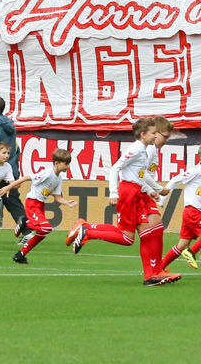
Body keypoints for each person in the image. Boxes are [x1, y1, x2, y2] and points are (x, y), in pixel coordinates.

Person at [69, 116, 182, 285]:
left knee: (148, 230)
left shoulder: (144, 149)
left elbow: (140, 176)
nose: (157, 137)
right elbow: (116, 168)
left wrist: (153, 190)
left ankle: (152, 274)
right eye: (155, 133)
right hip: (129, 192)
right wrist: (113, 192)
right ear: (144, 134)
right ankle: (88, 230)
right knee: (128, 237)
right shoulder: (139, 149)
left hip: (136, 192)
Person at [155, 143, 201, 273]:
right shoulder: (196, 172)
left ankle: (159, 268)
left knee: (181, 245)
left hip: (196, 213)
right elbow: (176, 179)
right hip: (192, 211)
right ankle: (192, 251)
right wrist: (162, 199)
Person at [15, 147, 75, 265]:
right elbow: (28, 177)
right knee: (46, 228)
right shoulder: (47, 173)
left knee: (42, 233)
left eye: (69, 164)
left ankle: (20, 255)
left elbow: (57, 197)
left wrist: (67, 202)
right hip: (32, 202)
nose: (68, 167)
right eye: (66, 164)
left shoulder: (58, 179)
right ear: (56, 163)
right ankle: (25, 222)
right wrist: (8, 187)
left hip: (40, 205)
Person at [0, 95, 26, 237]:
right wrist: (16, 171)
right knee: (14, 203)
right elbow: (16, 149)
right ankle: (27, 233)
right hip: (10, 171)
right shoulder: (11, 126)